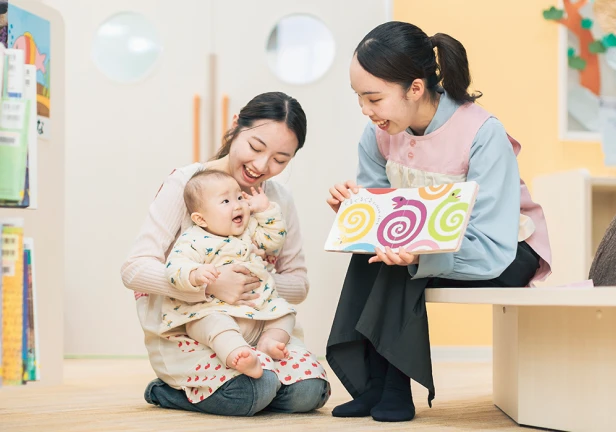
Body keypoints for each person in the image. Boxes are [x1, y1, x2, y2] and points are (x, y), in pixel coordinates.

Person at [326, 21, 552, 423]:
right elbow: (384, 218)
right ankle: (372, 386)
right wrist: (356, 211)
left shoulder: (482, 133)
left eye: (373, 98)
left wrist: (419, 255)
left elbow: (493, 243)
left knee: (399, 265)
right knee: (376, 256)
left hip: (504, 251)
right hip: (430, 246)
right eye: (359, 98)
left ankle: (393, 389)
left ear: (415, 88)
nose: (365, 110)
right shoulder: (377, 134)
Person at [121, 92, 330, 416]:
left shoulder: (277, 201)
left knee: (310, 393)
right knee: (253, 390)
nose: (261, 166)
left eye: (280, 159)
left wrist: (251, 280)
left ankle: (248, 388)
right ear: (235, 126)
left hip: (260, 325)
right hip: (196, 326)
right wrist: (210, 285)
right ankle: (168, 391)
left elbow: (299, 284)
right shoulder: (187, 184)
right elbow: (134, 269)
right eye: (256, 147)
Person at [162, 169, 296, 379]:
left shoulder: (249, 229)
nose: (238, 205)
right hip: (211, 311)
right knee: (215, 325)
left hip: (258, 311)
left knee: (285, 312)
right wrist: (195, 273)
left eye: (240, 197)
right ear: (201, 219)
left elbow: (274, 240)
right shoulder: (193, 240)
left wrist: (266, 211)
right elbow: (174, 267)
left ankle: (269, 341)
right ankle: (238, 354)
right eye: (225, 201)